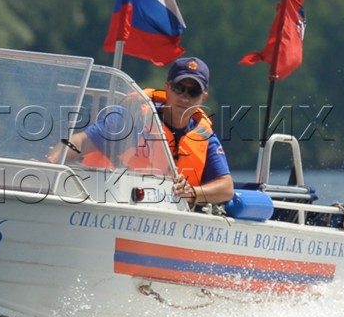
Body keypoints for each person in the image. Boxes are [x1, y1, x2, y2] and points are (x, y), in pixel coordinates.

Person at [52, 56, 235, 206]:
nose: (185, 97)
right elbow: (79, 142)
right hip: (105, 200)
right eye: (180, 88)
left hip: (167, 218)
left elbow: (226, 188)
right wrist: (51, 163)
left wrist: (192, 192)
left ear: (203, 97)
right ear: (168, 87)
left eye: (193, 92)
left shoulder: (204, 136)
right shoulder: (132, 118)